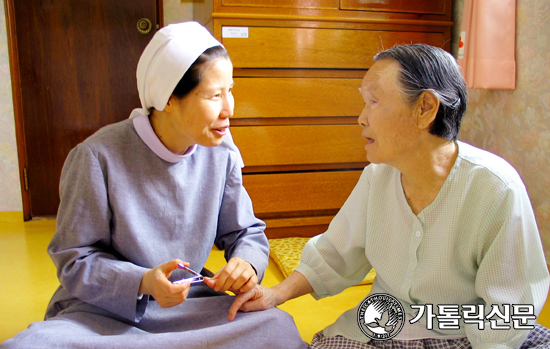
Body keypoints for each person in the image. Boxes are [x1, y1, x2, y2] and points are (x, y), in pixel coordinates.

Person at [0, 22, 307, 349]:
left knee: (278, 329)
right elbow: (75, 259)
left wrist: (246, 263)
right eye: (215, 95)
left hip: (191, 305)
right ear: (168, 98)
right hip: (108, 310)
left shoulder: (222, 153)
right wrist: (143, 282)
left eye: (230, 91)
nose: (229, 109)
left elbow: (245, 232)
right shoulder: (96, 157)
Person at [228, 44, 550, 349]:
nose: (361, 118)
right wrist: (274, 294)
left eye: (374, 102)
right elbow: (335, 253)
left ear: (425, 108)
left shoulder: (495, 188)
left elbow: (508, 309)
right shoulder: (377, 177)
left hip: (467, 336)